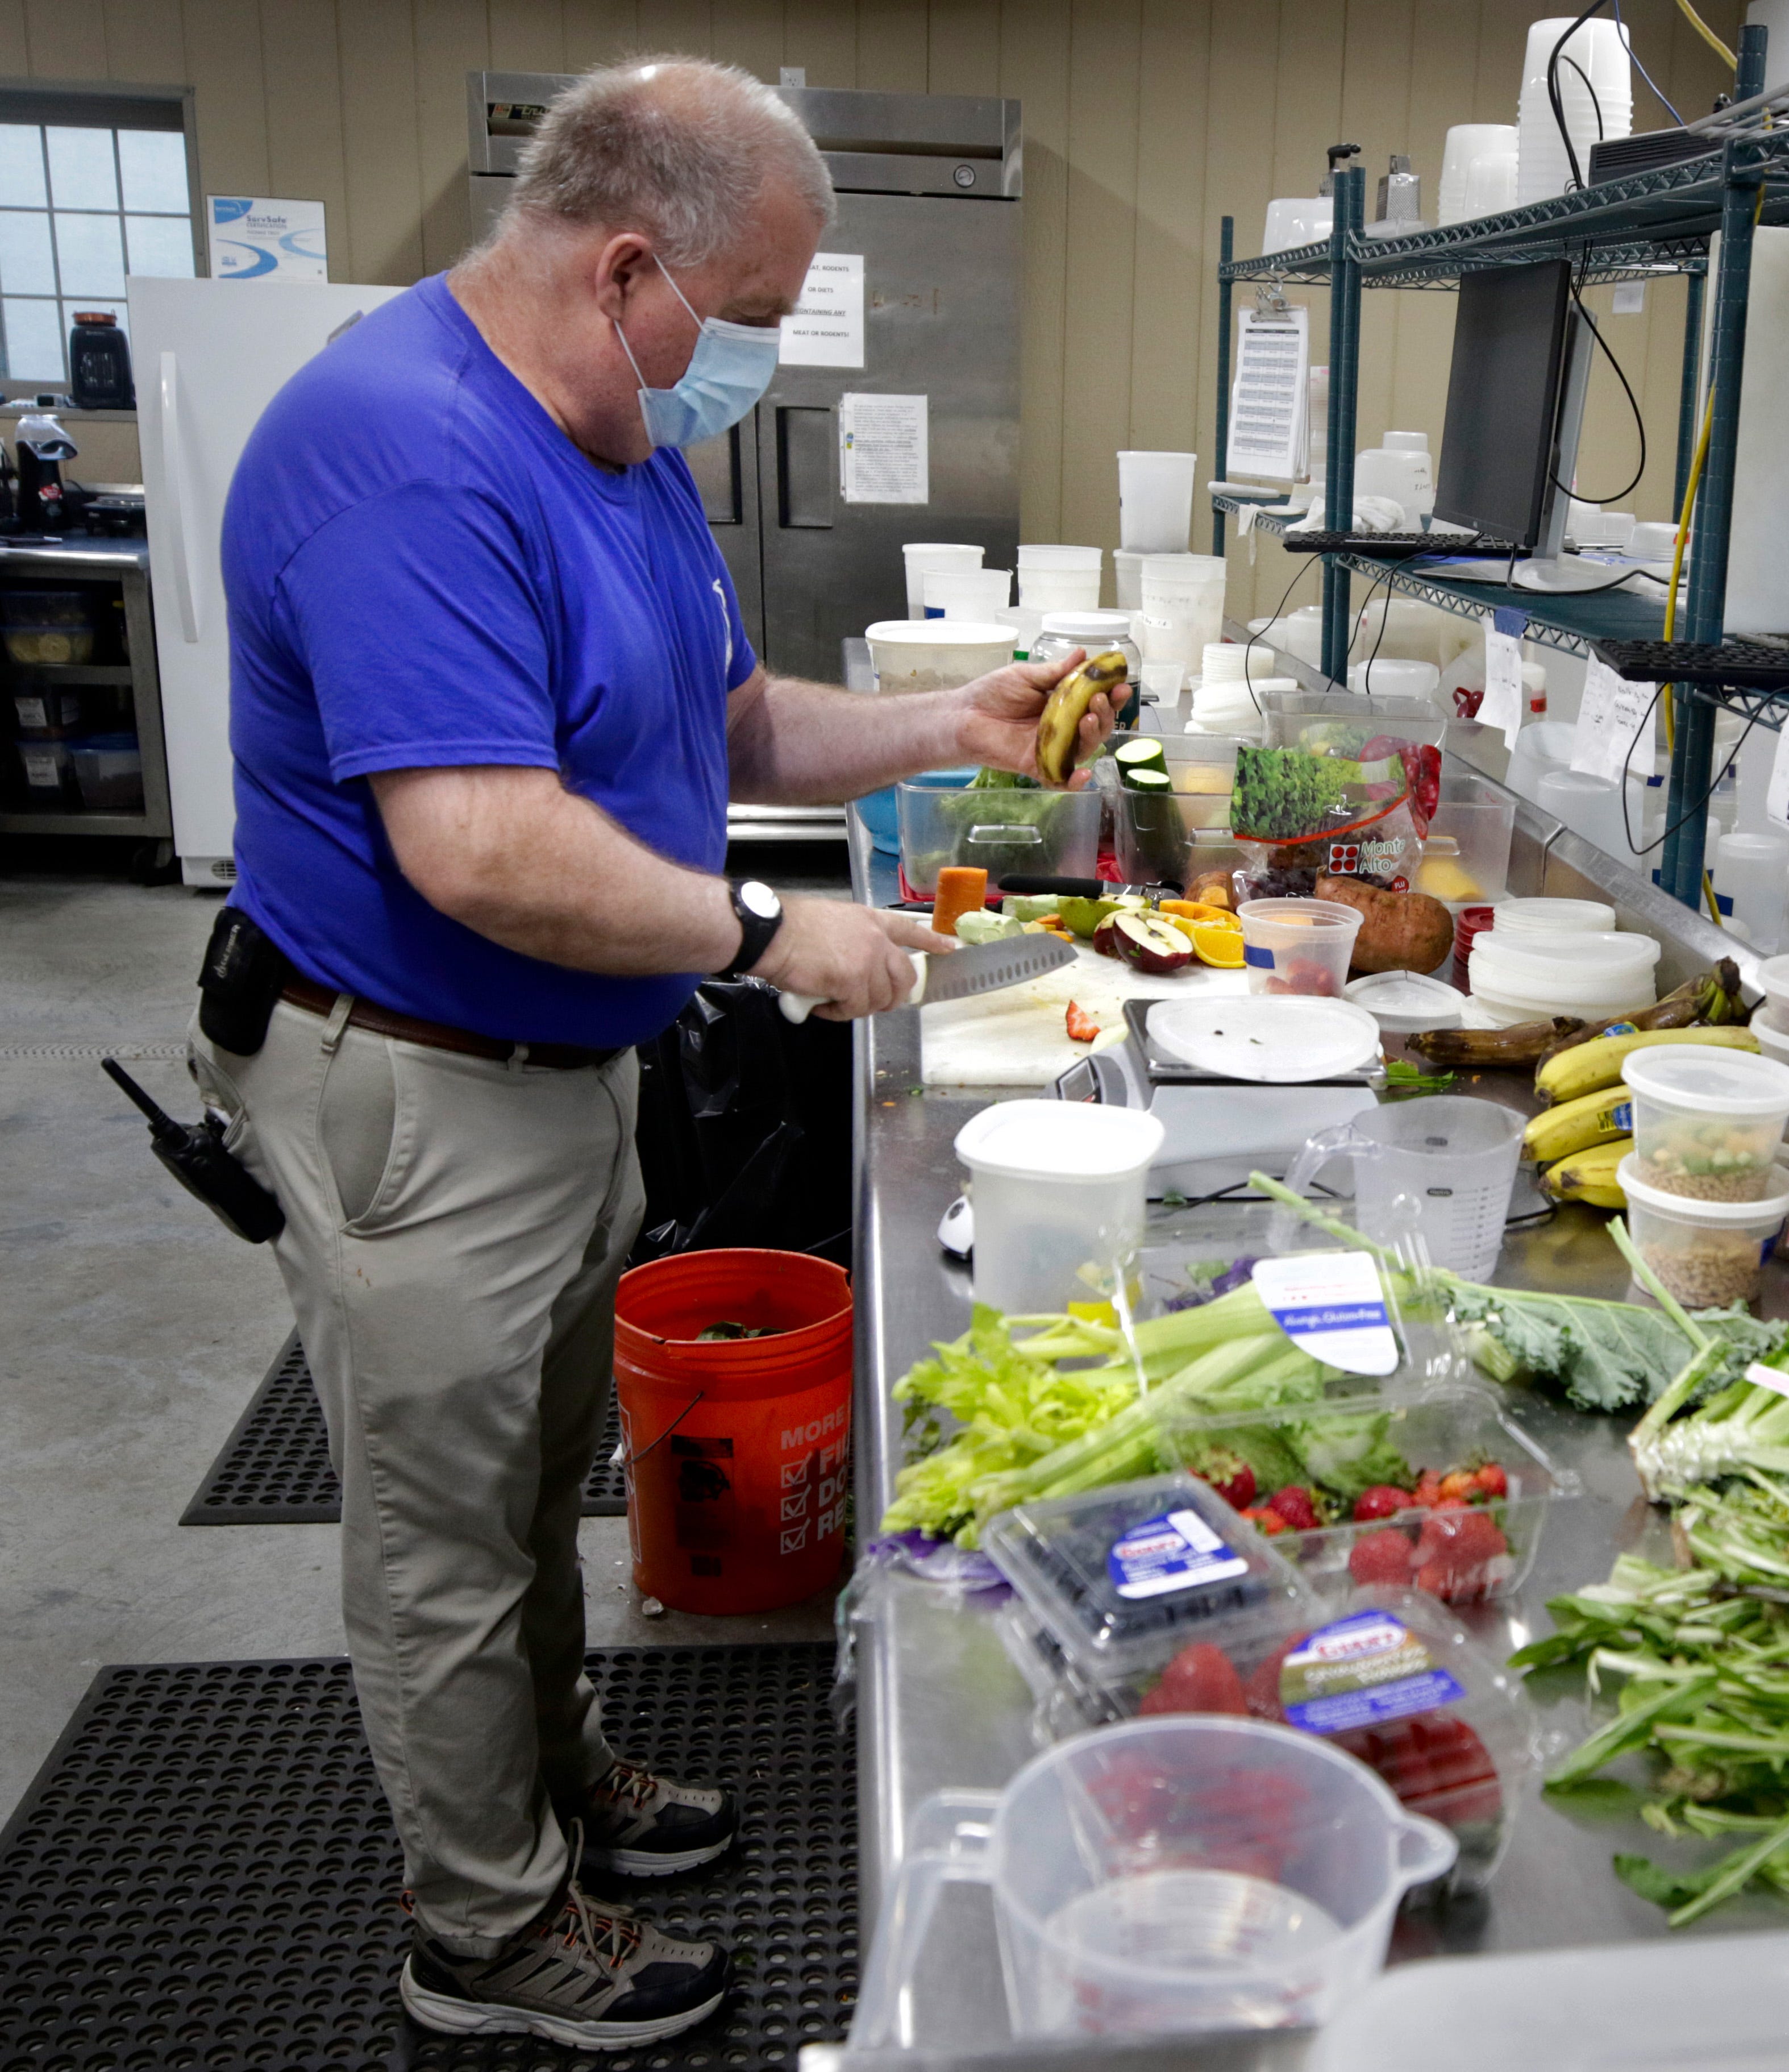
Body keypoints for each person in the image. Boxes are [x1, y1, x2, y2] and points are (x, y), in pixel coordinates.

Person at [184, 57, 1109, 2051]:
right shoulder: (408, 452)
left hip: (557, 1070)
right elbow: (480, 843)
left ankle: (557, 1783)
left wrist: (955, 729)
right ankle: (485, 1933)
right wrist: (776, 934)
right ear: (627, 272)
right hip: (411, 1082)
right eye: (755, 321)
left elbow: (736, 723)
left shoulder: (610, 439)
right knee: (437, 1537)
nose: (755, 368)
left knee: (529, 1490)